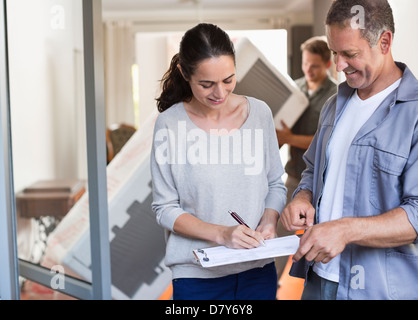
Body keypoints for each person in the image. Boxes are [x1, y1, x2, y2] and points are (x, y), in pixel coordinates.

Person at [280, 0, 418, 300]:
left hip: (379, 289)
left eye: (349, 54)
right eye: (334, 53)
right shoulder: (334, 105)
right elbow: (313, 170)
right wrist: (301, 197)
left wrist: (345, 230)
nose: (339, 66)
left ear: (384, 42)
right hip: (318, 278)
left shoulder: (415, 115)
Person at [151, 23, 287, 300]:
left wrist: (269, 220)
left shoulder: (259, 113)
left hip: (257, 270)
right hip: (197, 275)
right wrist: (223, 234)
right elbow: (165, 208)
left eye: (228, 80)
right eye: (206, 84)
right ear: (184, 74)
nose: (220, 94)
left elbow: (275, 183)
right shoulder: (169, 124)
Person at [274, 37, 338, 290]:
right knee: (279, 237)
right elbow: (280, 129)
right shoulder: (293, 91)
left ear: (328, 64)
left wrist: (289, 138)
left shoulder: (336, 96)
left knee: (316, 242)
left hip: (323, 183)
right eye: (305, 65)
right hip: (293, 177)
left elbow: (324, 141)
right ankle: (270, 288)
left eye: (315, 66)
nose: (309, 71)